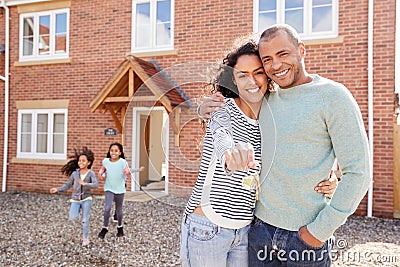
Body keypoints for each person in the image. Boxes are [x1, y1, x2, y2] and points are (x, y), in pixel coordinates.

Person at [199, 24, 371, 266]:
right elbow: (228, 112)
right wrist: (201, 108)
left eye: (283, 54)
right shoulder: (265, 98)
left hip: (305, 237)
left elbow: (359, 173)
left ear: (301, 50)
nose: (275, 65)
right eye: (267, 59)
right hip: (259, 232)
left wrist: (318, 232)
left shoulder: (333, 97)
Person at [50, 147, 98, 246]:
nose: (81, 162)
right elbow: (68, 185)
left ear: (88, 163)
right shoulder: (75, 174)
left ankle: (85, 238)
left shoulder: (91, 173)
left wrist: (85, 184)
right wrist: (57, 189)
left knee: (85, 220)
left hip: (86, 198)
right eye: (80, 161)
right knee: (72, 217)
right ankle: (78, 211)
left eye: (83, 161)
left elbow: (95, 185)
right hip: (75, 199)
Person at [97, 142, 132, 239]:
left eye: (116, 151)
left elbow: (126, 173)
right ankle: (105, 228)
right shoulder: (106, 161)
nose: (114, 152)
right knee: (107, 208)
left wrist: (127, 173)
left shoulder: (122, 162)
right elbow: (102, 170)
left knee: (119, 210)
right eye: (112, 150)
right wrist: (100, 174)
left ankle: (120, 227)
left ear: (120, 152)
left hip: (120, 189)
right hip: (109, 188)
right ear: (109, 151)